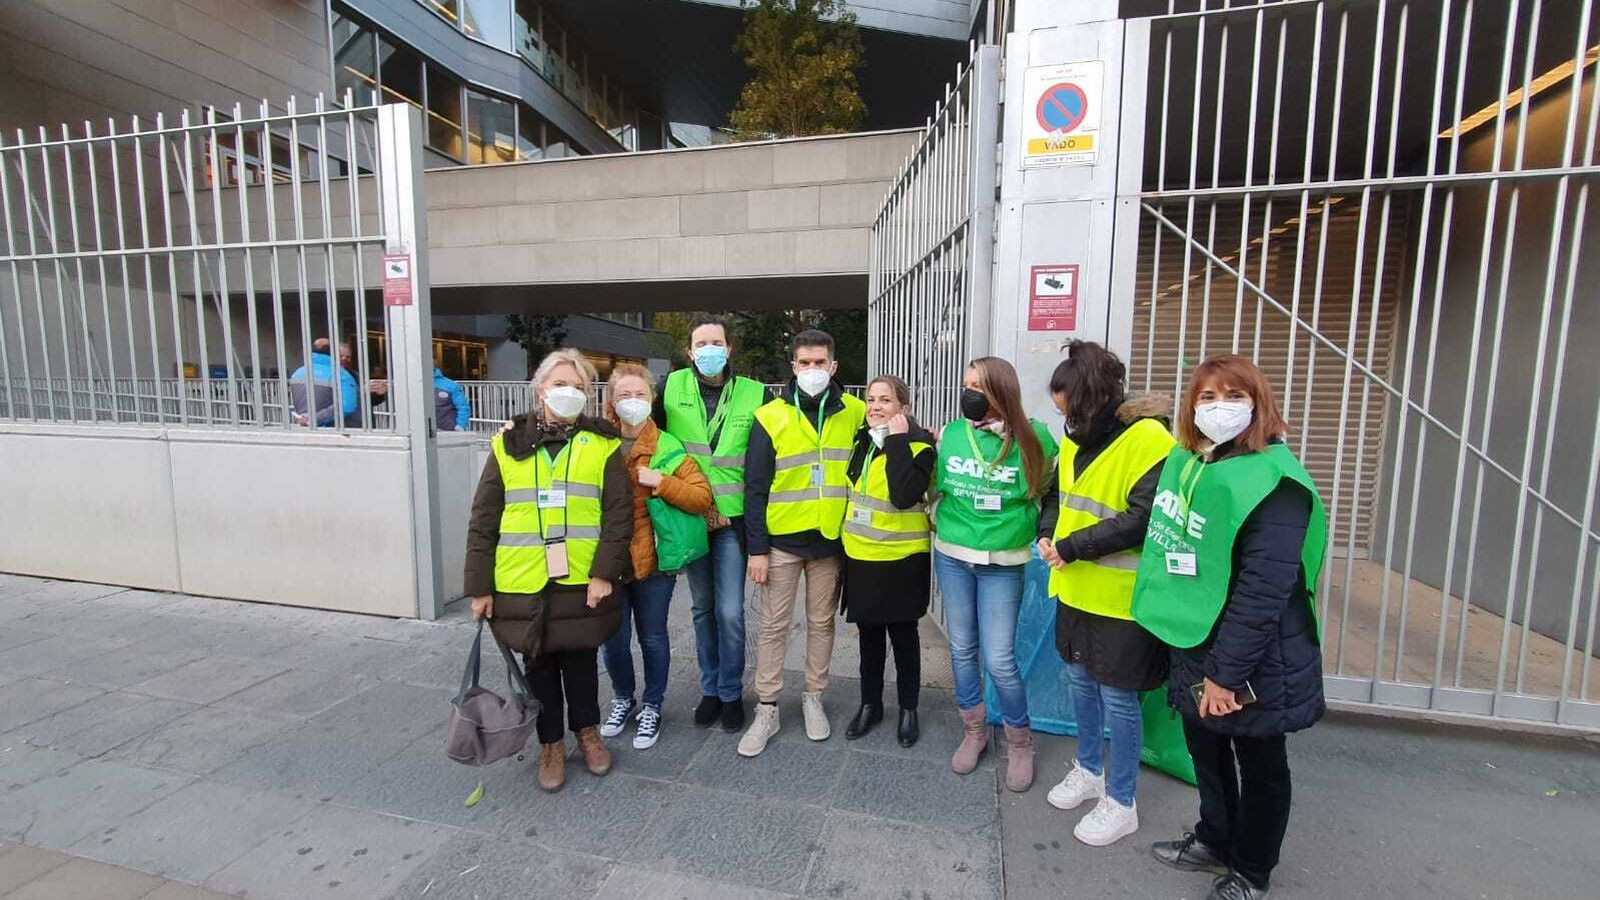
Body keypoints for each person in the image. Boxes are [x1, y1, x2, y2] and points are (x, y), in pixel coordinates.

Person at [1132, 354, 1328, 900]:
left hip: (1257, 656)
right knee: (1206, 749)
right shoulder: (1195, 464)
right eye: (1207, 397)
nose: (1219, 409)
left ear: (1258, 404)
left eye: (1234, 396)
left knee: (1261, 762)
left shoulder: (1274, 482)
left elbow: (1263, 592)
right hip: (1198, 639)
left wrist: (1225, 675)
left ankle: (1252, 869)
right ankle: (1215, 838)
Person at [463, 348, 632, 793]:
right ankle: (550, 743)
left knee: (581, 659)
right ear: (541, 390)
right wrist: (479, 587)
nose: (570, 393)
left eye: (579, 387)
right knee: (537, 662)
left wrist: (603, 574)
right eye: (561, 385)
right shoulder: (508, 443)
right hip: (522, 578)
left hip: (580, 575)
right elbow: (484, 518)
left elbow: (618, 515)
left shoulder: (603, 442)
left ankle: (587, 732)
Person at [1034, 341, 1175, 847]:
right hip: (1073, 585)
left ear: (1093, 399)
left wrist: (1072, 546)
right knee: (1079, 684)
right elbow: (1059, 495)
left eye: (1067, 408)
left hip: (1120, 595)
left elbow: (1142, 518)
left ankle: (1122, 800)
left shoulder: (1151, 441)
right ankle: (1089, 768)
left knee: (1119, 698)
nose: (1063, 419)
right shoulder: (1076, 437)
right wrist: (1048, 533)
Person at [737, 329, 867, 757]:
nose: (813, 370)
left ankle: (814, 697)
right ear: (793, 367)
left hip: (830, 541)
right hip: (781, 542)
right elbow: (754, 488)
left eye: (820, 363)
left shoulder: (856, 411)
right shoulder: (769, 415)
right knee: (773, 626)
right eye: (805, 363)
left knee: (821, 624)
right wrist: (755, 550)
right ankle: (768, 708)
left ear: (834, 367)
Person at [933, 356, 1057, 791]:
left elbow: (1043, 491)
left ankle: (1019, 742)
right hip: (953, 555)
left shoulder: (1035, 439)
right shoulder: (951, 434)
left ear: (1002, 392)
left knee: (1000, 658)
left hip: (1003, 563)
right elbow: (937, 487)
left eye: (980, 387)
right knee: (963, 649)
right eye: (966, 384)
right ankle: (974, 730)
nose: (969, 394)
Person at [655, 315, 767, 733]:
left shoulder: (754, 393)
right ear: (689, 351)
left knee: (730, 612)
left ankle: (731, 690)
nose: (709, 350)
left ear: (729, 349)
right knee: (702, 610)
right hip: (690, 514)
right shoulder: (670, 388)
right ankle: (710, 690)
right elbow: (640, 433)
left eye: (716, 342)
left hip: (733, 521)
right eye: (701, 343)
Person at [598, 364, 713, 750]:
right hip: (608, 562)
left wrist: (662, 483)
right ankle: (623, 698)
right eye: (624, 395)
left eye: (641, 395)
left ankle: (652, 705)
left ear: (652, 399)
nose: (633, 402)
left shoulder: (667, 445)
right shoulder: (596, 442)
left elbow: (701, 497)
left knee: (653, 637)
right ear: (611, 400)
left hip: (653, 562)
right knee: (612, 640)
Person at [840, 375, 936, 747]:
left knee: (904, 636)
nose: (875, 407)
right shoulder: (861, 441)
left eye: (885, 400)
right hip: (862, 555)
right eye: (871, 400)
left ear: (904, 409)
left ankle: (908, 708)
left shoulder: (920, 446)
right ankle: (871, 703)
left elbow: (902, 495)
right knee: (868, 636)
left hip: (902, 558)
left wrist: (898, 439)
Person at [288, 338, 358, 427]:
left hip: (306, 429)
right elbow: (347, 406)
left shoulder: (297, 374)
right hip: (336, 432)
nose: (345, 359)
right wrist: (315, 418)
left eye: (348, 357)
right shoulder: (341, 374)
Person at [433, 367, 471, 431]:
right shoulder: (414, 384)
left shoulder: (450, 385)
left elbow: (463, 406)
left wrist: (460, 425)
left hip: (448, 430)